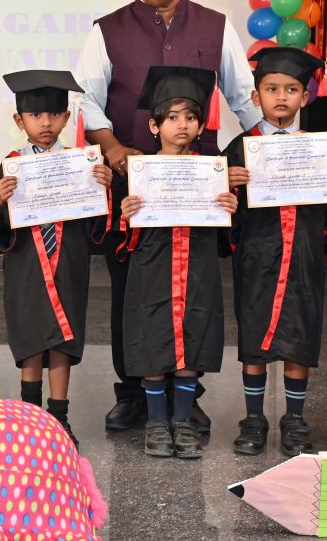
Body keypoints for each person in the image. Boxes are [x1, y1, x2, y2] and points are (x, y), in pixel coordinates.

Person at [75, 0, 260, 431]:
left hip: (198, 188)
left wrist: (278, 151)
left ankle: (186, 393)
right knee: (130, 289)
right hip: (132, 185)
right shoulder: (107, 30)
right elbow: (86, 99)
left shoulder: (216, 26)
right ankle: (133, 391)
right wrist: (114, 149)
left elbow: (243, 97)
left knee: (193, 289)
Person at [223, 47, 327, 457]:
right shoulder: (239, 148)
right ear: (256, 97)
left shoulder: (322, 149)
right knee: (254, 335)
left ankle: (295, 419)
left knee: (300, 334)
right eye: (271, 89)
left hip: (303, 256)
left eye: (291, 89)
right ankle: (254, 418)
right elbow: (219, 211)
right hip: (256, 257)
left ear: (305, 96)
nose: (281, 97)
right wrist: (226, 185)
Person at [117, 66, 236, 459]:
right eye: (172, 117)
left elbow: (225, 237)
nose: (182, 124)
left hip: (197, 267)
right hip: (152, 268)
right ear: (155, 126)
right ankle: (156, 423)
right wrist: (126, 214)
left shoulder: (211, 169)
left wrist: (228, 208)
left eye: (190, 117)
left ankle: (182, 421)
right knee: (153, 340)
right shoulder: (139, 172)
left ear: (201, 125)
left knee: (192, 337)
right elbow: (121, 236)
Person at [0, 70, 112, 447]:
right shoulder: (11, 164)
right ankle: (31, 420)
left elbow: (97, 225)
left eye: (55, 114)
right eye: (35, 115)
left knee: (63, 336)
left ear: (66, 118)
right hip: (26, 265)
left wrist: (104, 190)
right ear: (19, 120)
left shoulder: (81, 162)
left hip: (69, 262)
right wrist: (0, 201)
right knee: (30, 336)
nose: (46, 122)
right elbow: (0, 229)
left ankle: (59, 418)